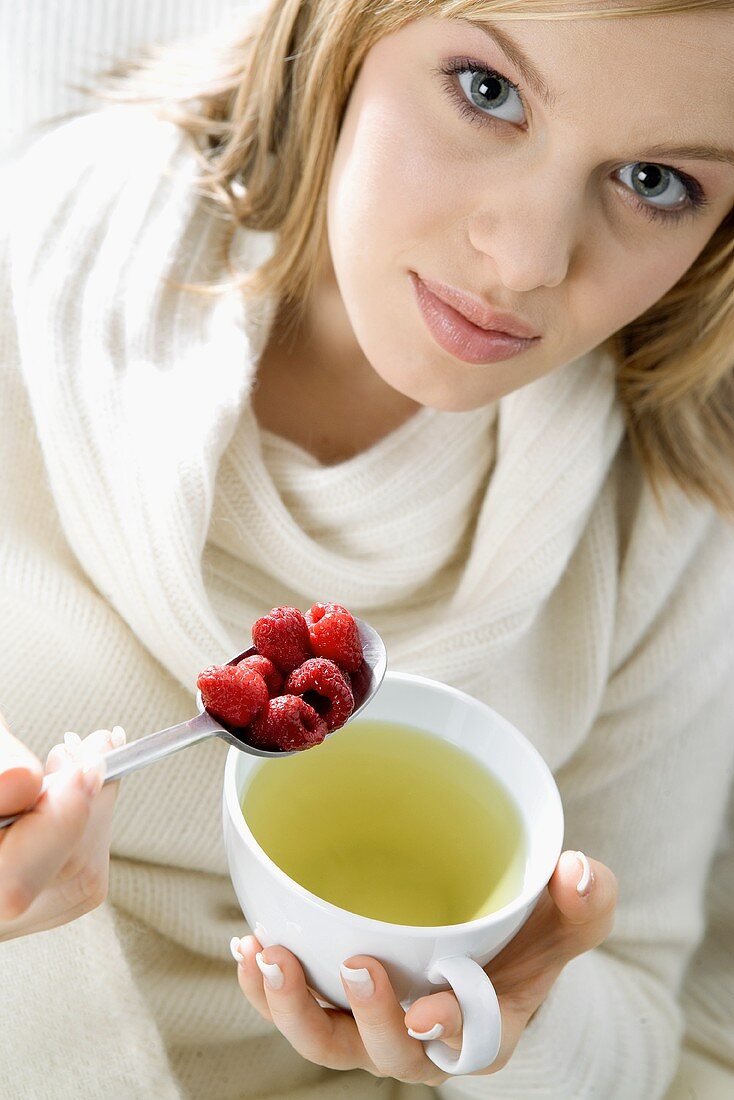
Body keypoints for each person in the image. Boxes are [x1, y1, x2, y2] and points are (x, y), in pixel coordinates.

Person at [1, 1, 733, 1097]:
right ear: (348, 28)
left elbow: (641, 1025)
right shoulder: (36, 264)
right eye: (486, 91)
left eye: (653, 182)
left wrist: (504, 1020)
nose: (523, 257)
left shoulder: (661, 513)